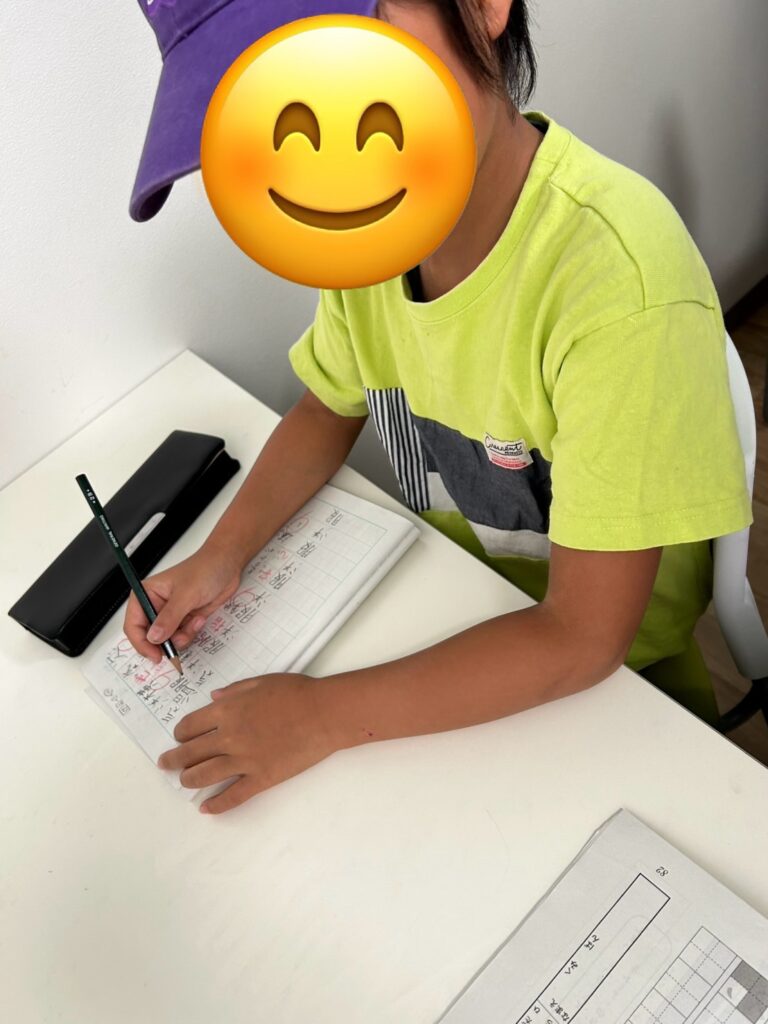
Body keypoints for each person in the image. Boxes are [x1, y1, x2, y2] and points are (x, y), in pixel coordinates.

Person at [124, 0, 752, 814]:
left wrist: (321, 717)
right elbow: (328, 407)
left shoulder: (616, 284)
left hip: (620, 690)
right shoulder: (369, 244)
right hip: (443, 612)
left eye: (353, 60)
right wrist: (224, 552)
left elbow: (584, 639)